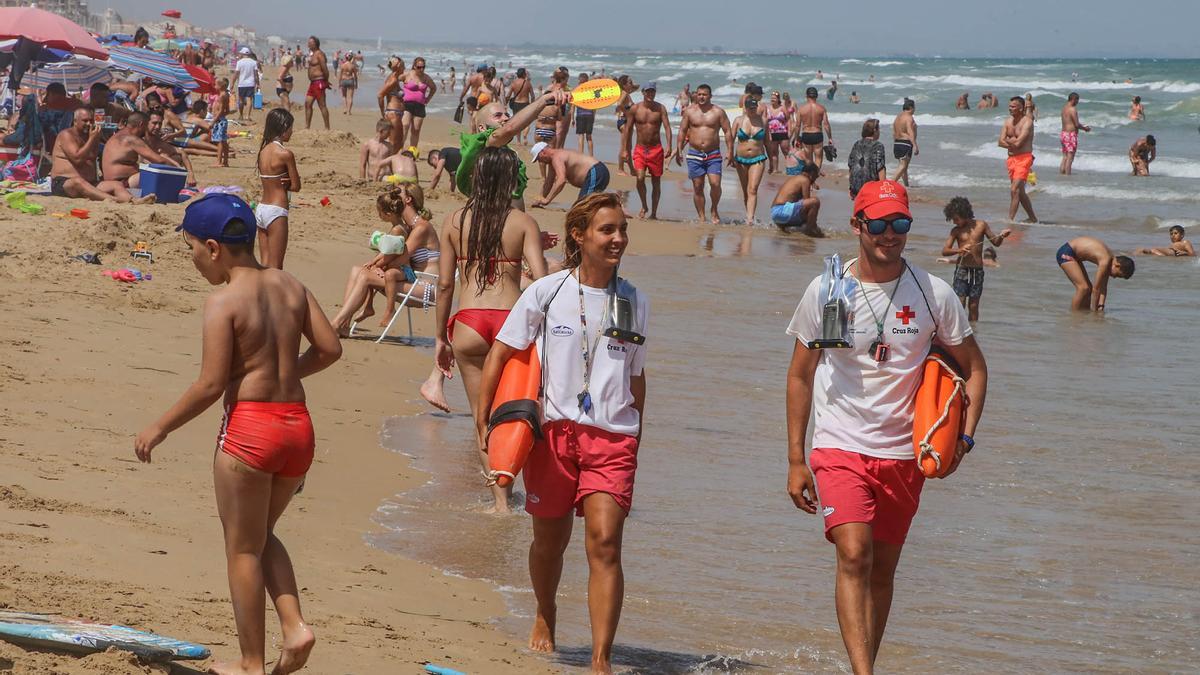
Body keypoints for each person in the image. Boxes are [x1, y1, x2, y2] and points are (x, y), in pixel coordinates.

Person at [785, 179, 988, 675]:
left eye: (901, 224)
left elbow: (975, 368)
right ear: (857, 224)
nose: (890, 234)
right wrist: (795, 458)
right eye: (879, 224)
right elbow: (799, 375)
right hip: (839, 445)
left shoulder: (932, 293)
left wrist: (963, 437)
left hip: (903, 455)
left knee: (883, 570)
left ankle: (862, 662)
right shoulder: (828, 289)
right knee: (854, 553)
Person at [134, 193, 341, 675]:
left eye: (190, 249)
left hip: (250, 431)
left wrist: (158, 427)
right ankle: (295, 627)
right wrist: (284, 373)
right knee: (262, 534)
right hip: (298, 429)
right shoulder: (291, 285)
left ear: (212, 247)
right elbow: (329, 349)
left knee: (242, 546)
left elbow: (210, 384)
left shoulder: (223, 300)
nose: (192, 260)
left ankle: (251, 663)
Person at [475, 192, 648, 675]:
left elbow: (636, 376)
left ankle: (600, 659)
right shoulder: (546, 292)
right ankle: (545, 613)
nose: (618, 239)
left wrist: (636, 435)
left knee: (605, 542)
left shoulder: (634, 300)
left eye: (622, 231)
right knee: (549, 542)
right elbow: (502, 352)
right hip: (552, 435)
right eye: (607, 230)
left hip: (612, 438)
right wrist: (486, 419)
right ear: (579, 236)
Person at [434, 147, 550, 512]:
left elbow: (444, 285)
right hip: (511, 324)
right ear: (511, 181)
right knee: (518, 413)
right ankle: (521, 488)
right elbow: (542, 283)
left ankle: (500, 502)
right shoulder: (522, 222)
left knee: (481, 417)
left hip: (469, 324)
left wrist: (440, 337)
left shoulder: (453, 220)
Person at [330, 185, 440, 335]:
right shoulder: (407, 227)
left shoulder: (421, 228)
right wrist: (377, 266)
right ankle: (344, 324)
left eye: (397, 193)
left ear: (407, 200)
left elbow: (398, 260)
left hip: (426, 288)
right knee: (357, 270)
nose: (392, 195)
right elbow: (391, 254)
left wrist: (379, 267)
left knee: (365, 275)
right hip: (409, 281)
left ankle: (336, 323)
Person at [49, 109, 151, 203]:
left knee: (116, 184)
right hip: (64, 183)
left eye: (91, 120)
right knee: (78, 182)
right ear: (75, 121)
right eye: (85, 121)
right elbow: (77, 159)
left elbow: (93, 158)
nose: (89, 124)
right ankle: (115, 200)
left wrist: (95, 139)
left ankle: (133, 200)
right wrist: (92, 139)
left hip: (89, 183)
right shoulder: (66, 135)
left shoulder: (92, 136)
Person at [940, 196, 1012, 322]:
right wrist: (959, 250)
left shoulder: (981, 225)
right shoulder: (956, 231)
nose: (954, 222)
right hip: (961, 270)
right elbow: (945, 251)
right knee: (959, 303)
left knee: (973, 306)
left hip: (976, 271)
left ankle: (973, 332)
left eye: (956, 219)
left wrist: (1002, 236)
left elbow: (996, 242)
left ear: (964, 214)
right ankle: (959, 333)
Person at [675, 83, 733, 224]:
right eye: (699, 94)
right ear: (696, 95)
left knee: (715, 184)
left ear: (710, 96)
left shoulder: (718, 112)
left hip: (713, 154)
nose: (701, 97)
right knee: (698, 186)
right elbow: (682, 131)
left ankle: (714, 208)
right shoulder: (689, 111)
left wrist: (730, 151)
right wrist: (678, 149)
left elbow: (727, 131)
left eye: (704, 94)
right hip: (694, 154)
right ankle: (701, 216)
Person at [256, 108, 301, 270]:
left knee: (264, 264)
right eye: (290, 128)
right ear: (283, 127)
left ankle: (261, 295)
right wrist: (288, 182)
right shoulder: (285, 154)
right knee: (276, 267)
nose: (292, 132)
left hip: (261, 208)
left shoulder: (263, 151)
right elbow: (296, 186)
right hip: (277, 209)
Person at [621, 81, 672, 220]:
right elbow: (628, 130)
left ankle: (654, 212)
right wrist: (625, 150)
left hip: (656, 149)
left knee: (656, 182)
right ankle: (644, 205)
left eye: (653, 91)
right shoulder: (635, 109)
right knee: (640, 177)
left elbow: (667, 127)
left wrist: (669, 145)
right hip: (640, 149)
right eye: (648, 91)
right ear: (643, 92)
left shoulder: (660, 108)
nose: (650, 94)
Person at [101, 112, 183, 189]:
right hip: (122, 182)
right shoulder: (132, 139)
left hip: (111, 181)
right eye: (147, 125)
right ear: (141, 124)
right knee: (159, 172)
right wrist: (179, 172)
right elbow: (160, 161)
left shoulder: (118, 135)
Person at [1055, 236, 1134, 312]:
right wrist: (1095, 312)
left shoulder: (1110, 260)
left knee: (1088, 289)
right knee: (1083, 288)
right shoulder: (1105, 261)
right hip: (1066, 252)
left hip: (1075, 255)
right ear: (1117, 265)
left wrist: (1101, 306)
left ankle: (1083, 314)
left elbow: (1103, 287)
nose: (1114, 277)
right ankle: (1074, 316)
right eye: (1117, 275)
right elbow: (1096, 290)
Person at [731, 85, 769, 225]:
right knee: (745, 190)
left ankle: (750, 219)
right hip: (740, 159)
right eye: (750, 108)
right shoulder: (738, 120)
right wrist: (730, 155)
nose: (752, 110)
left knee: (752, 189)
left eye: (754, 108)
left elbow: (768, 142)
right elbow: (730, 139)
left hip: (758, 159)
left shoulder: (763, 121)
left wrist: (771, 161)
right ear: (745, 108)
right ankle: (748, 214)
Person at [529, 142, 609, 206]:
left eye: (538, 158)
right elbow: (549, 182)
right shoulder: (553, 160)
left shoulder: (557, 157)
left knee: (582, 205)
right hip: (598, 172)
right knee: (591, 205)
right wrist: (540, 199)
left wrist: (548, 200)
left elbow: (561, 180)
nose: (540, 162)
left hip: (596, 172)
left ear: (543, 152)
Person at [998, 96, 1036, 222]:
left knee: (1014, 189)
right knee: (1019, 192)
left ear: (1021, 108)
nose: (1010, 108)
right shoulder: (1008, 122)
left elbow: (1019, 144)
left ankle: (1010, 220)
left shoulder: (1027, 122)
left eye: (1013, 107)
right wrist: (1012, 141)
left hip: (1024, 158)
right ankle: (1033, 218)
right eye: (1009, 106)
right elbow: (1000, 142)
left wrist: (1008, 140)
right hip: (1011, 159)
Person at [145, 109, 198, 187]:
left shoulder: (159, 139)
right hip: (145, 173)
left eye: (160, 124)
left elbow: (182, 152)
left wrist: (190, 175)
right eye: (154, 123)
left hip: (160, 171)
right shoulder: (139, 139)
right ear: (146, 123)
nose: (157, 127)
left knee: (177, 156)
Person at [770, 162, 823, 236]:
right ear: (811, 173)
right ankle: (810, 230)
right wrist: (813, 224)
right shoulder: (805, 179)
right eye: (815, 177)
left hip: (775, 213)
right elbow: (807, 203)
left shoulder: (795, 178)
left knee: (806, 215)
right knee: (814, 202)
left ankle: (800, 227)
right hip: (782, 210)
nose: (814, 180)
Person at [401, 57, 437, 149]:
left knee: (416, 130)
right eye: (419, 67)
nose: (421, 69)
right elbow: (394, 80)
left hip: (420, 106)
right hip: (407, 104)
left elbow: (434, 88)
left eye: (423, 67)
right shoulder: (407, 74)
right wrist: (398, 94)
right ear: (414, 66)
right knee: (405, 125)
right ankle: (399, 148)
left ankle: (412, 151)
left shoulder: (426, 77)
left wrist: (428, 99)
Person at [848, 119, 887, 198]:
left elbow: (851, 165)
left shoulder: (857, 144)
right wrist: (883, 190)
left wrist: (851, 187)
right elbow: (880, 168)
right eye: (879, 129)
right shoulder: (878, 145)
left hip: (856, 188)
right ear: (875, 130)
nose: (879, 132)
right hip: (871, 189)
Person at [796, 86, 832, 169]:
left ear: (806, 96)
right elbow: (826, 124)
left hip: (806, 134)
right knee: (818, 158)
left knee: (808, 160)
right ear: (816, 96)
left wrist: (796, 138)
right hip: (817, 134)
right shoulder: (821, 108)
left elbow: (797, 125)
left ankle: (810, 180)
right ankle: (815, 176)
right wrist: (830, 138)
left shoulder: (801, 109)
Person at [1059, 92, 1091, 175]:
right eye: (1077, 100)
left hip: (1063, 134)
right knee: (1070, 158)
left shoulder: (1064, 108)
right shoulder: (1072, 109)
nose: (1077, 102)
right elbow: (1076, 124)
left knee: (1065, 156)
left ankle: (1061, 175)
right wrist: (1085, 128)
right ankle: (1067, 176)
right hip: (1070, 135)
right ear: (1073, 99)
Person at [303, 36, 330, 130]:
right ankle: (307, 127)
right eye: (308, 42)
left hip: (319, 81)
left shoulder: (320, 54)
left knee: (322, 105)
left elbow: (325, 69)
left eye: (311, 42)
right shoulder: (312, 54)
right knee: (307, 104)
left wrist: (326, 81)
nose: (308, 44)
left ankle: (327, 127)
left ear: (316, 44)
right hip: (312, 83)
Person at [892, 99, 918, 187]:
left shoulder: (898, 117)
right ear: (911, 108)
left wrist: (896, 142)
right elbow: (910, 131)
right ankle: (890, 184)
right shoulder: (909, 118)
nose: (915, 110)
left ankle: (906, 185)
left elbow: (894, 131)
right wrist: (915, 145)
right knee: (903, 166)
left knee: (903, 167)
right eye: (914, 108)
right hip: (905, 143)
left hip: (897, 143)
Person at [614, 75, 637, 176]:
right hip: (624, 122)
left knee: (628, 147)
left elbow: (637, 87)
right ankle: (620, 169)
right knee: (624, 147)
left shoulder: (626, 93)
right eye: (630, 82)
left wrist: (631, 85)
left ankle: (632, 169)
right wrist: (626, 112)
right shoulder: (624, 93)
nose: (632, 84)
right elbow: (619, 104)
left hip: (626, 122)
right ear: (624, 85)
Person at [765, 91, 792, 174]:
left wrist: (790, 131)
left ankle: (790, 169)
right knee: (774, 153)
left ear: (778, 99)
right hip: (772, 133)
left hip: (783, 132)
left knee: (786, 151)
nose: (772, 99)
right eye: (771, 98)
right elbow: (765, 121)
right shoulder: (767, 108)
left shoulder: (782, 108)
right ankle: (775, 170)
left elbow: (789, 119)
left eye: (774, 98)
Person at [507, 67, 534, 144]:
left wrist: (505, 103)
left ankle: (518, 141)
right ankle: (525, 136)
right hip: (525, 104)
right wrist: (532, 104)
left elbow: (508, 95)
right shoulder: (528, 83)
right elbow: (532, 96)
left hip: (516, 104)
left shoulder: (514, 83)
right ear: (523, 74)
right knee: (527, 122)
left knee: (517, 122)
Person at [234, 48, 260, 122]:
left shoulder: (239, 62)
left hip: (241, 84)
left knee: (241, 100)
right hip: (251, 83)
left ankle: (241, 115)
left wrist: (232, 83)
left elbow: (236, 74)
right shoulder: (253, 62)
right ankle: (248, 116)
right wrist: (258, 84)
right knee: (249, 100)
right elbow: (256, 75)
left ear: (242, 54)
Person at [574, 72, 596, 156]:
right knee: (589, 136)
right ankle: (591, 156)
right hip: (589, 114)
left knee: (580, 135)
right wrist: (593, 115)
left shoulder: (577, 90)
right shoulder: (591, 91)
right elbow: (595, 105)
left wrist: (572, 117)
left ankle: (580, 154)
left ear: (580, 80)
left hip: (580, 115)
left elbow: (574, 104)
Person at [212, 77, 231, 167]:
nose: (214, 86)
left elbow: (221, 110)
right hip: (221, 119)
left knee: (220, 141)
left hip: (220, 121)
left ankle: (219, 161)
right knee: (223, 141)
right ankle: (225, 161)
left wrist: (214, 120)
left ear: (221, 86)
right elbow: (227, 110)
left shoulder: (222, 96)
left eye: (216, 84)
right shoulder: (226, 94)